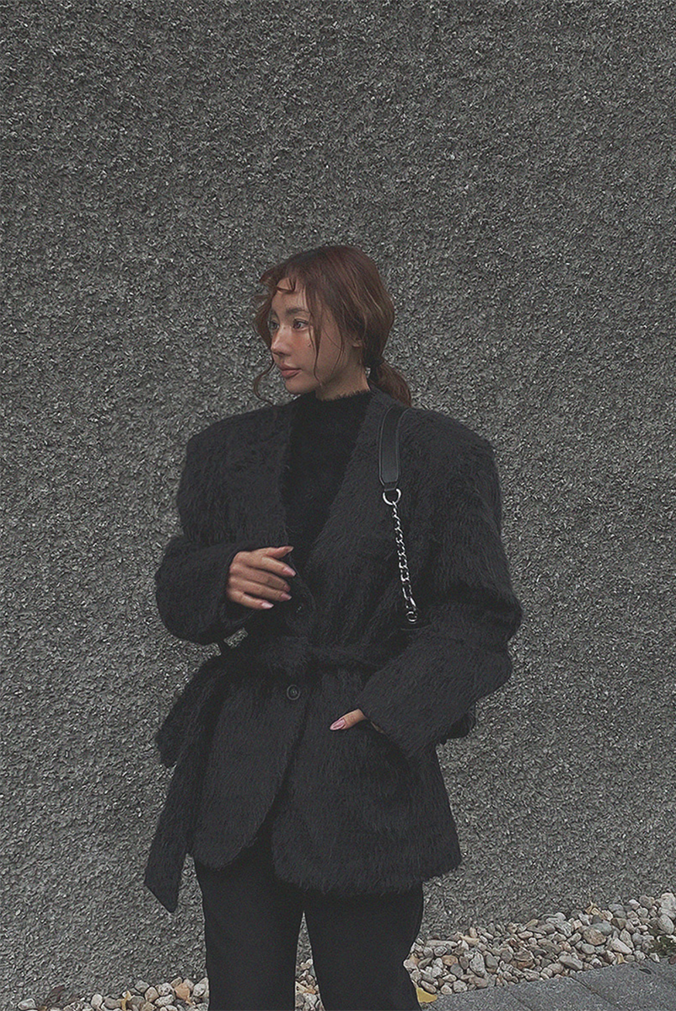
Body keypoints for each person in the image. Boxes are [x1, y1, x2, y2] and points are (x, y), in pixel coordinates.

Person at [143, 245, 524, 1011]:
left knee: (365, 991)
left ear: (356, 328)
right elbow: (177, 587)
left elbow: (478, 612)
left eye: (300, 323)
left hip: (360, 770)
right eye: (273, 324)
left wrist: (392, 708)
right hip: (241, 766)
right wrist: (219, 575)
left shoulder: (438, 454)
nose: (278, 343)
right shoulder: (226, 452)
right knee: (242, 997)